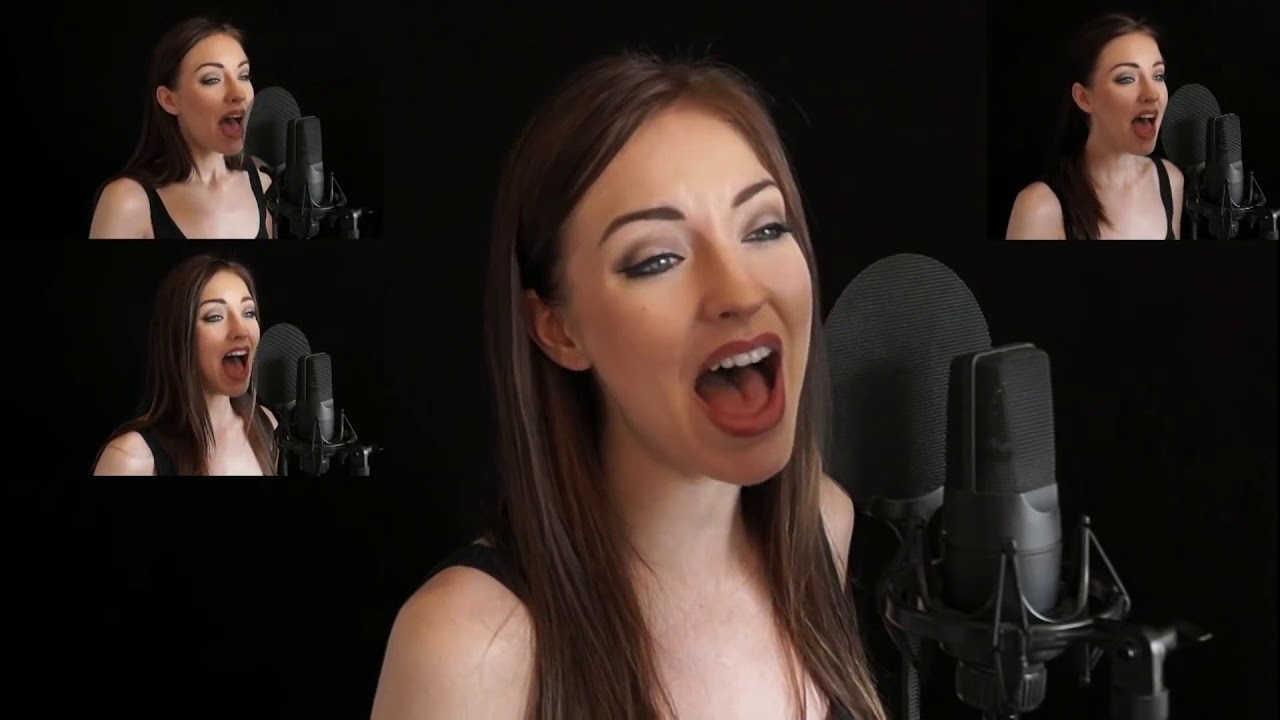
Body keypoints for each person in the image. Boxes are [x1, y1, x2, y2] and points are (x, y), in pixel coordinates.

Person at [371, 54, 888, 720]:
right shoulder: (469, 648)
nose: (739, 292)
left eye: (764, 228)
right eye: (657, 259)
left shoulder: (824, 526)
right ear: (558, 329)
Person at [92, 255, 278, 475]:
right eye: (215, 317)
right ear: (179, 336)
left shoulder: (268, 426)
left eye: (248, 313)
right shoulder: (130, 459)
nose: (241, 330)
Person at [89, 18, 273, 239]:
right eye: (212, 79)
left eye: (243, 75)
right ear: (169, 100)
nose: (239, 93)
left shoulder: (264, 183)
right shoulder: (125, 201)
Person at [1006, 13, 1183, 240]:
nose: (1152, 94)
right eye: (1126, 79)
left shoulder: (1170, 181)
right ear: (1084, 98)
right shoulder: (1040, 208)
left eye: (1158, 75)